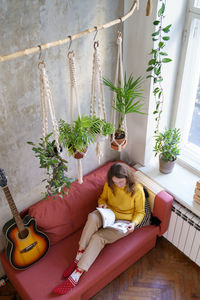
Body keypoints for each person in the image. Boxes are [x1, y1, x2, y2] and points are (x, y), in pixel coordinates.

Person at [53, 163, 145, 295]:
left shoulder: (137, 190)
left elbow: (140, 213)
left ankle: (77, 274)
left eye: (120, 181)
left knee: (98, 237)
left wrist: (133, 224)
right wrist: (102, 204)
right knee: (92, 217)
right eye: (115, 182)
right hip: (108, 214)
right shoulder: (110, 185)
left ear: (127, 177)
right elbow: (102, 198)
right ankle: (79, 254)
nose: (118, 184)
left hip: (123, 222)